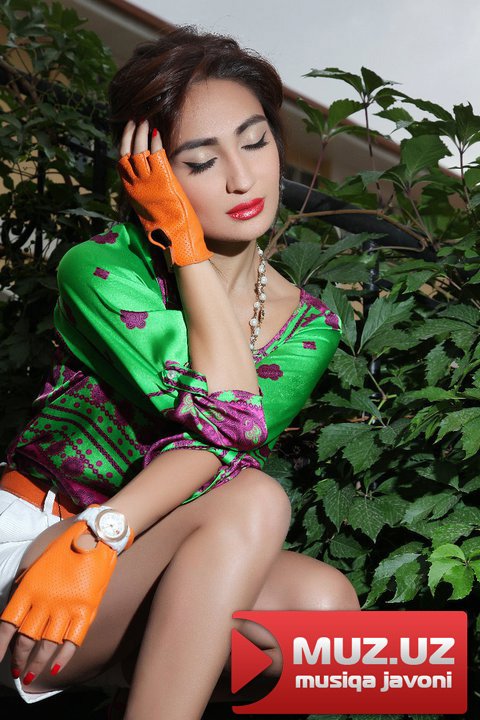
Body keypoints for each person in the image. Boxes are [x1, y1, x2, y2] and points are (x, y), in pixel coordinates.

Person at [0, 25, 360, 719]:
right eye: (199, 161)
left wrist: (103, 538)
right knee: (257, 499)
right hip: (31, 549)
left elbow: (223, 438)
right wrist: (186, 248)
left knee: (324, 610)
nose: (241, 178)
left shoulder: (310, 324)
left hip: (124, 550)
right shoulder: (103, 269)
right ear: (151, 175)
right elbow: (232, 417)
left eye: (255, 142)